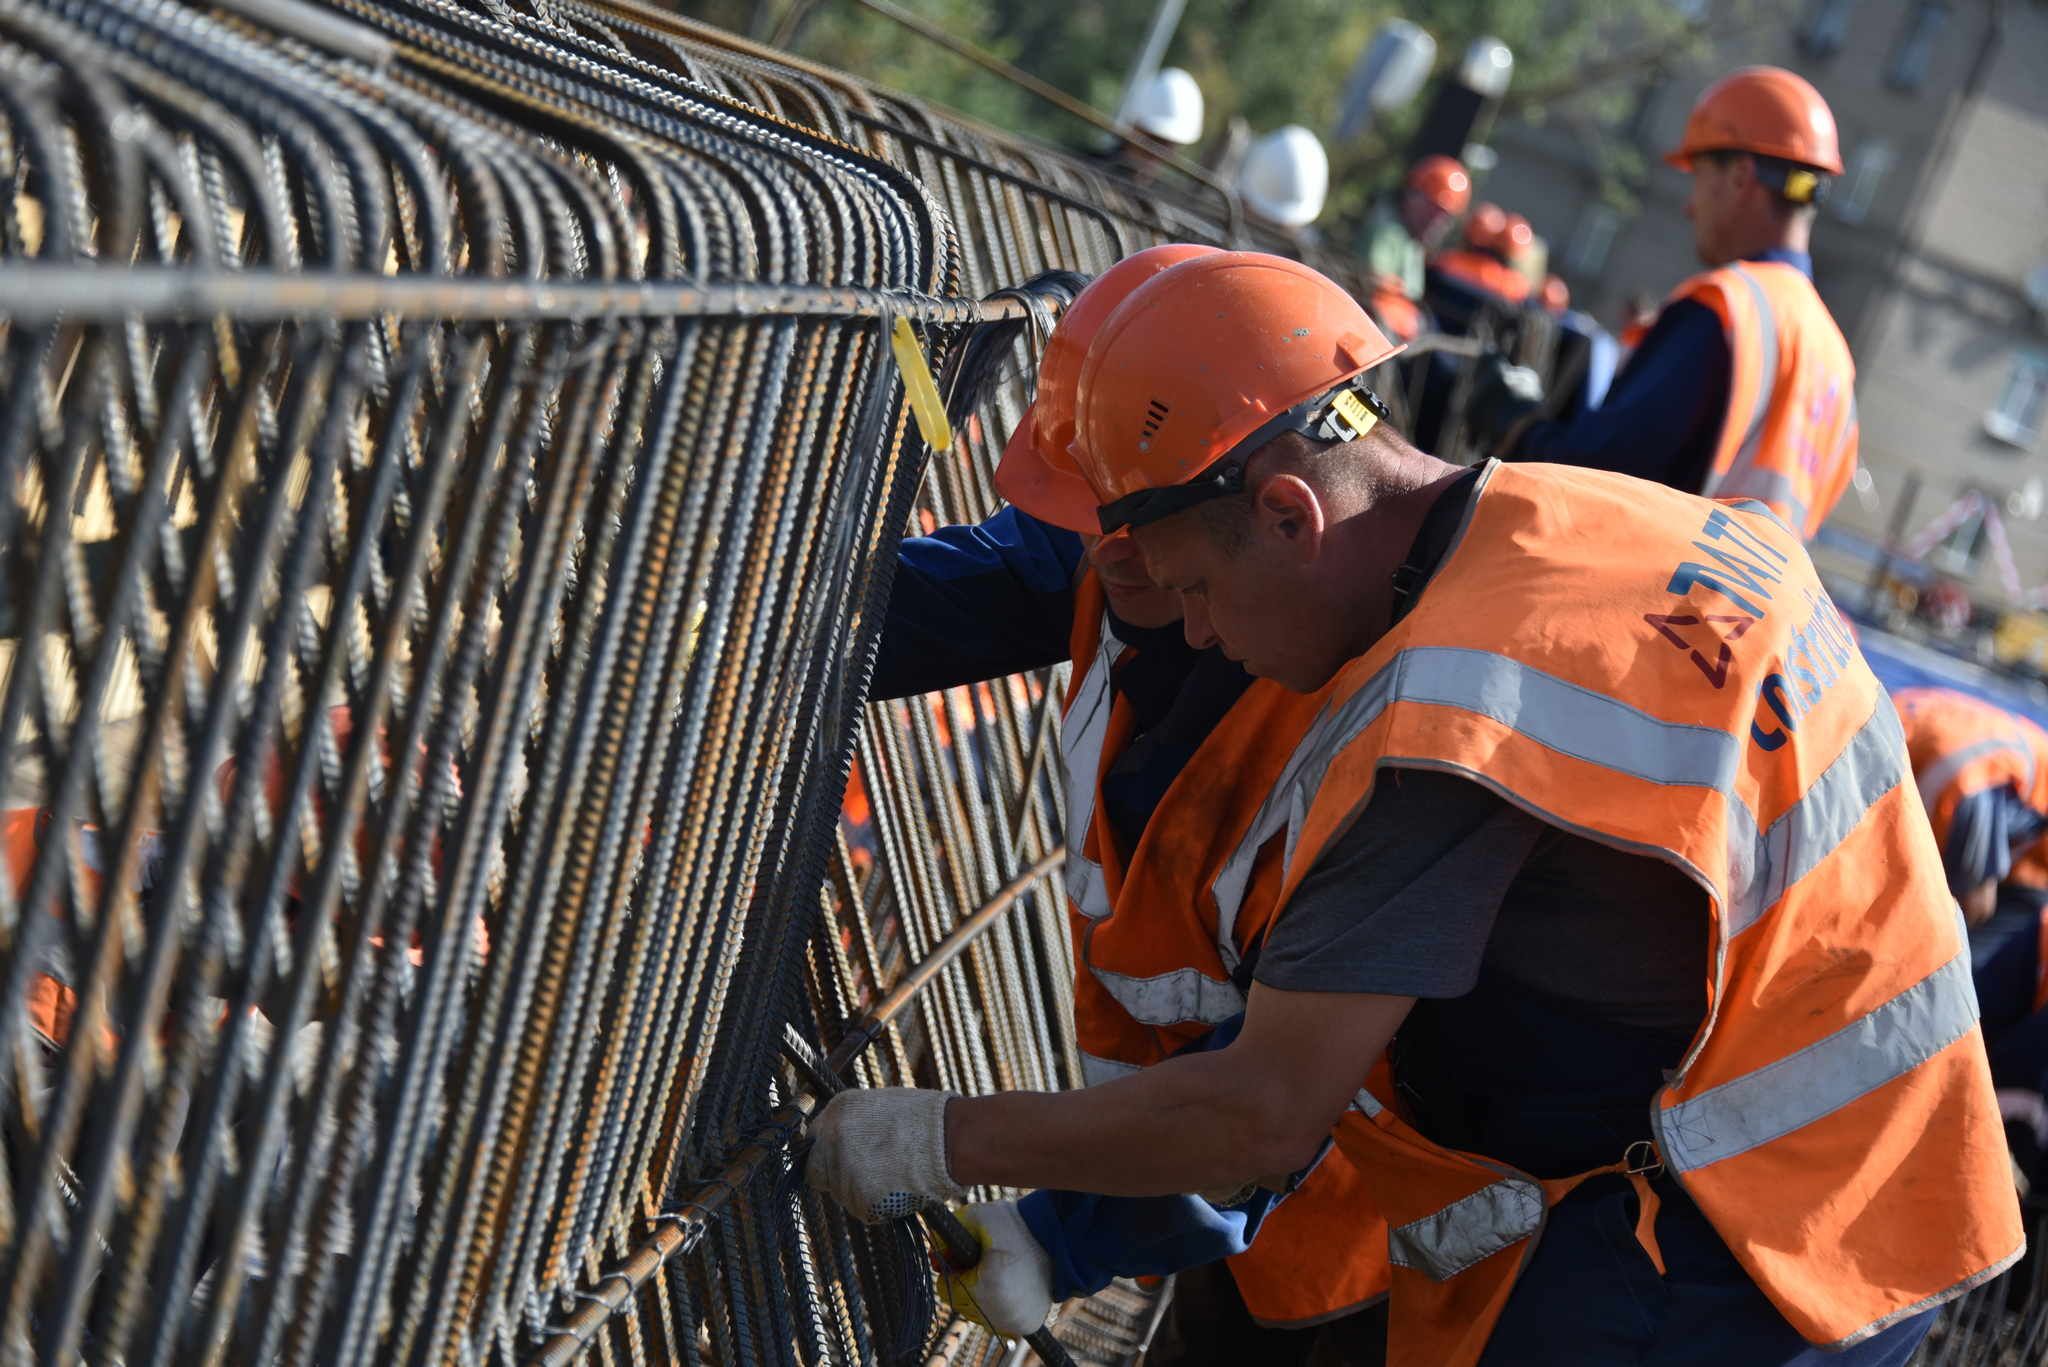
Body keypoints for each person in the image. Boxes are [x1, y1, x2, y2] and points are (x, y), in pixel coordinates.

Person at [805, 249, 2023, 1366]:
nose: (1191, 631)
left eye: (1193, 589)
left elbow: (1263, 1115)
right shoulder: (1585, 523)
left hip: (1742, 1241)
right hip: (1868, 1174)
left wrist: (930, 1141)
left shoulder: (1464, 722)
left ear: (1289, 514)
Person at [868, 246, 1394, 1361]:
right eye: (1098, 537)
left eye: (1140, 548)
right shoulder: (1113, 545)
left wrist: (1063, 1239)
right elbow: (959, 590)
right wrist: (741, 606)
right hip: (1192, 1183)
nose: (1115, 569)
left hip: (1354, 1248)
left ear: (1270, 511)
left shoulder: (1363, 725)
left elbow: (1284, 1087)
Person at [1473, 67, 1858, 541]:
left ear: (1739, 177)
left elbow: (1592, 477)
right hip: (1722, 613)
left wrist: (1514, 421)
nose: (1689, 206)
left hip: (1640, 603)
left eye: (1697, 177)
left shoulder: (1728, 307)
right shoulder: (1836, 365)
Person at [1357, 155, 1470, 341]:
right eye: (1433, 208)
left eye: (1445, 217)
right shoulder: (1385, 228)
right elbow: (1369, 281)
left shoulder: (1413, 242)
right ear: (1412, 194)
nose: (1437, 221)